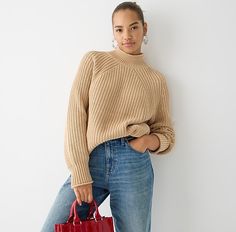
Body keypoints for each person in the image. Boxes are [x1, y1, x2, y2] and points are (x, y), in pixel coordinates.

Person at [41, 1, 175, 232]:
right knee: (52, 227)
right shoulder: (94, 61)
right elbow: (76, 114)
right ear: (113, 31)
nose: (127, 36)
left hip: (134, 162)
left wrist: (145, 142)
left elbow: (165, 131)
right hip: (93, 159)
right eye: (119, 29)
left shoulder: (156, 79)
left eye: (133, 27)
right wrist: (80, 172)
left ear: (145, 28)